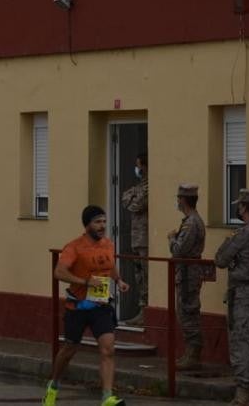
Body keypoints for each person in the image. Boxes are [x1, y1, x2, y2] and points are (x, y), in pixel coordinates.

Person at [43, 205, 129, 406]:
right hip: (78, 307)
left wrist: (119, 281)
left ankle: (107, 396)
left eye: (104, 222)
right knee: (69, 351)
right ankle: (53, 385)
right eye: (97, 222)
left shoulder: (108, 244)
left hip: (100, 307)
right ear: (87, 225)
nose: (102, 226)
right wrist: (86, 281)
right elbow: (59, 272)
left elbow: (110, 266)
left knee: (108, 349)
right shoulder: (74, 247)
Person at [214, 190, 249, 406]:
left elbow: (221, 259)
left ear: (244, 208)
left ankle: (244, 393)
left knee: (241, 341)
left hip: (242, 292)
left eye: (240, 206)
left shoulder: (243, 233)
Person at [168, 182, 206, 370]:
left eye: (178, 198)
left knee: (187, 310)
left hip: (187, 273)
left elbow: (179, 250)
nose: (177, 201)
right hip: (186, 272)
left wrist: (172, 238)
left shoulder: (191, 223)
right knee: (185, 310)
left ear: (183, 200)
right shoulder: (191, 220)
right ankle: (190, 352)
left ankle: (193, 354)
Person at [119, 152, 149, 324]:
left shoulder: (148, 186)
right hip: (137, 239)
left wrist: (131, 198)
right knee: (139, 276)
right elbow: (124, 199)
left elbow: (135, 205)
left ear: (145, 167)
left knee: (145, 276)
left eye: (138, 165)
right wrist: (131, 198)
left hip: (144, 239)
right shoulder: (140, 186)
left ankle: (145, 312)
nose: (137, 168)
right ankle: (141, 311)